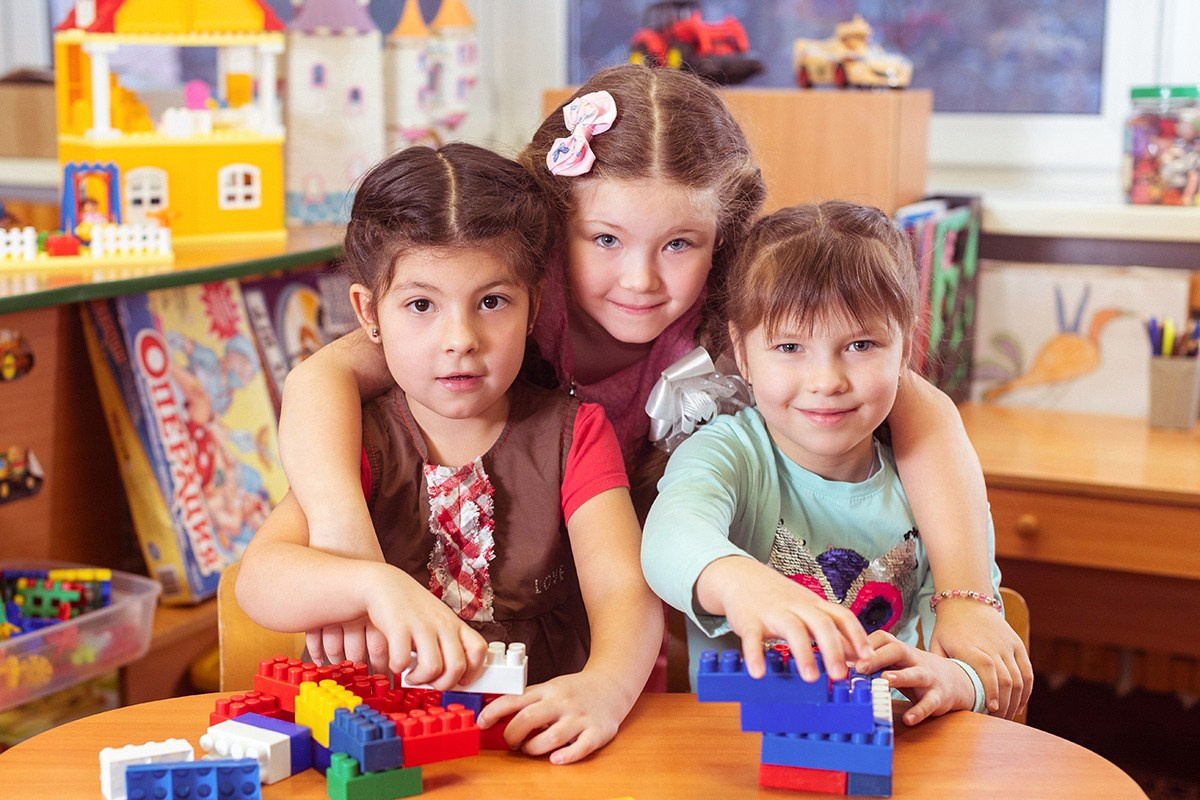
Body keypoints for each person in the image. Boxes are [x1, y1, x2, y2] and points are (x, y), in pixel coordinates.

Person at [276, 64, 1030, 716]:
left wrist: (966, 598)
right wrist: (347, 545)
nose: (640, 279)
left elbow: (913, 401)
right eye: (605, 239)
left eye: (679, 244)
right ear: (551, 227)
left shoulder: (737, 325)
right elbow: (324, 376)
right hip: (515, 605)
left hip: (643, 617)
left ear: (723, 237)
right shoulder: (495, 310)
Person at [236, 143, 663, 765]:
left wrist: (605, 687)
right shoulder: (356, 434)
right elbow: (260, 581)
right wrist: (373, 585)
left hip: (531, 743)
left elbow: (625, 590)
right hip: (377, 744)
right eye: (420, 306)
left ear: (532, 307)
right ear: (368, 314)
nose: (460, 340)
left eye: (492, 302)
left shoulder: (576, 433)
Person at [642, 201, 1021, 725]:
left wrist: (953, 681)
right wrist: (742, 583)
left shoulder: (935, 490)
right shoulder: (729, 452)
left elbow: (979, 658)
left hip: (893, 752)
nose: (827, 380)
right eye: (790, 346)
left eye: (861, 345)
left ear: (906, 346)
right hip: (735, 753)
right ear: (743, 352)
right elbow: (667, 537)